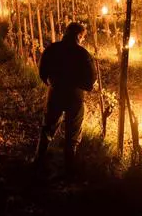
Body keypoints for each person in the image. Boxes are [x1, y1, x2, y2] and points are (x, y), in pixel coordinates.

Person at [34, 22, 96, 173]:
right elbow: (91, 78)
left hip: (55, 93)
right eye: (82, 37)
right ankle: (69, 168)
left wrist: (50, 82)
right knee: (72, 133)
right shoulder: (83, 54)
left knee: (48, 128)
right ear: (79, 36)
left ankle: (39, 161)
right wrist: (83, 86)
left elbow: (42, 70)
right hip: (74, 96)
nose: (82, 40)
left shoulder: (52, 49)